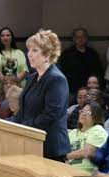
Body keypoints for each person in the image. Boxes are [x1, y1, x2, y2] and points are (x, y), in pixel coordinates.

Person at [13, 29, 70, 162]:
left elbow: (51, 114)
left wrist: (25, 127)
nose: (29, 54)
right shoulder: (32, 77)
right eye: (29, 50)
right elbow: (23, 111)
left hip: (51, 147)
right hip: (32, 143)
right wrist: (6, 123)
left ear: (47, 54)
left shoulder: (56, 79)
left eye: (34, 50)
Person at [59, 28, 103, 105]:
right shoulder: (67, 54)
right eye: (77, 37)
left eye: (83, 37)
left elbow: (99, 72)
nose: (80, 39)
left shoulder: (93, 54)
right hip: (72, 91)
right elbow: (62, 73)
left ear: (86, 38)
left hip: (90, 90)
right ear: (73, 39)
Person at [67, 102, 108, 174]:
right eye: (82, 111)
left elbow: (87, 152)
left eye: (88, 112)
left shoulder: (98, 130)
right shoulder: (73, 132)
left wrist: (64, 155)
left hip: (87, 175)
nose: (84, 113)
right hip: (68, 171)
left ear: (96, 117)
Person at [0, 27, 28, 97]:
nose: (5, 37)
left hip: (17, 89)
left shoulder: (19, 52)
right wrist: (7, 84)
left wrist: (13, 84)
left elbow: (25, 70)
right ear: (0, 38)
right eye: (2, 36)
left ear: (12, 37)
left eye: (8, 35)